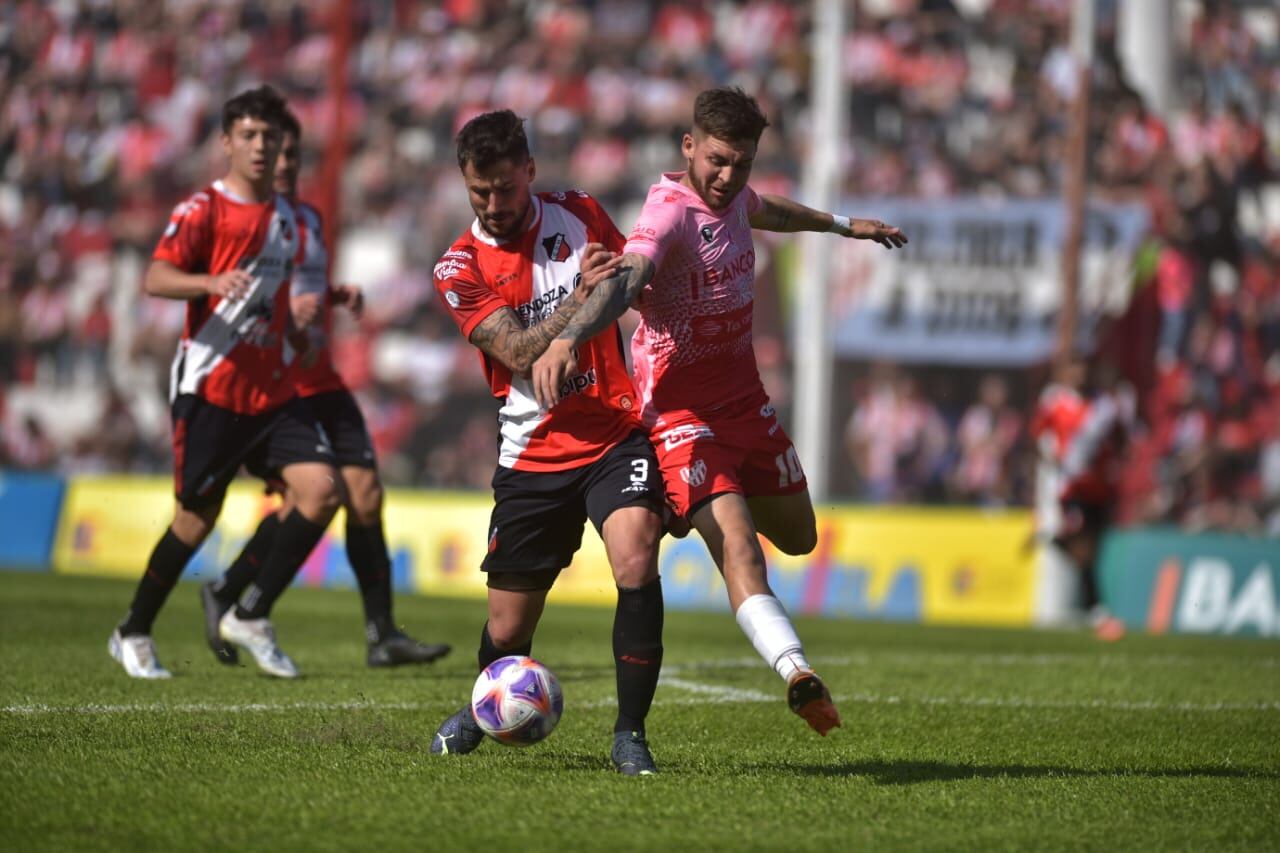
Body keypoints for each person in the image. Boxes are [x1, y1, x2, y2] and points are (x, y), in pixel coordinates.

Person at [533, 87, 907, 736]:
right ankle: (797, 671)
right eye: (716, 160)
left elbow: (773, 213)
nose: (728, 176)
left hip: (746, 405)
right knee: (740, 542)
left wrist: (845, 226)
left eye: (742, 162)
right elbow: (630, 274)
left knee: (799, 535)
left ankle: (683, 505)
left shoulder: (736, 199)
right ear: (689, 147)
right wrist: (567, 337)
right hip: (681, 418)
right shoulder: (668, 212)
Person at [428, 110, 668, 776]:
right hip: (531, 452)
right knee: (506, 630)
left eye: (505, 188)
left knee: (636, 553)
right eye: (479, 192)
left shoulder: (580, 212)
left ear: (528, 171)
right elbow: (518, 351)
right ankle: (483, 709)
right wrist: (578, 304)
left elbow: (630, 280)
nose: (494, 204)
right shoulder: (457, 266)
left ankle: (630, 734)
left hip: (615, 431)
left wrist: (616, 288)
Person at [199, 110, 452, 669]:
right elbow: (235, 300)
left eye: (293, 155)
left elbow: (306, 293)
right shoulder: (246, 220)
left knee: (366, 496)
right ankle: (237, 596)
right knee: (311, 497)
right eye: (277, 154)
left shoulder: (310, 219)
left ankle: (382, 634)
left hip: (321, 378)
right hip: (278, 385)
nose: (284, 164)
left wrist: (337, 298)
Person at [109, 85, 341, 680]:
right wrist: (209, 284)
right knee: (195, 520)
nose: (261, 147)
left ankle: (250, 611)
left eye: (269, 137)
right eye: (249, 136)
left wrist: (303, 325)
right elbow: (157, 277)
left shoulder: (288, 219)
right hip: (211, 388)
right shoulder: (203, 210)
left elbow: (275, 305)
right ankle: (132, 630)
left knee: (320, 491)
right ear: (226, 143)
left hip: (272, 393)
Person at [1030, 360, 1132, 641]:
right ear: (1067, 374)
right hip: (1070, 489)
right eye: (1074, 369)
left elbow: (1122, 438)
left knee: (1091, 550)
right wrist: (1051, 459)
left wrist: (1112, 460)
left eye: (1085, 370)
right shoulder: (1056, 403)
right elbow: (1038, 436)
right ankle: (1098, 612)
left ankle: (1053, 539)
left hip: (1098, 489)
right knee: (1084, 549)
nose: (1080, 375)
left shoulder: (1104, 407)